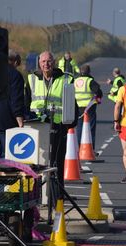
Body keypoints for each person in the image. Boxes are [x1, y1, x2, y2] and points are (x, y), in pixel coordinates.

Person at [27, 51, 78, 187]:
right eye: (43, 61)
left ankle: (58, 197)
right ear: (39, 63)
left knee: (57, 163)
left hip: (58, 127)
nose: (46, 64)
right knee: (37, 163)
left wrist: (68, 125)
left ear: (54, 63)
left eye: (49, 61)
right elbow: (25, 103)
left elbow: (73, 105)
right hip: (37, 127)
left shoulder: (66, 79)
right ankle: (36, 195)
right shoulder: (31, 79)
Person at [74, 64, 103, 150]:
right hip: (89, 107)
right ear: (89, 71)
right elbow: (98, 91)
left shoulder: (75, 81)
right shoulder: (90, 81)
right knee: (90, 128)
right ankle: (90, 149)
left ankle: (79, 148)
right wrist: (98, 97)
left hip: (78, 107)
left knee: (79, 127)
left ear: (80, 71)